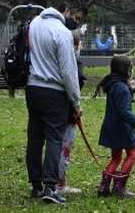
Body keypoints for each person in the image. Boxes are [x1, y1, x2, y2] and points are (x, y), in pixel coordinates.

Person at [25, 0, 84, 205]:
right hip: (54, 91)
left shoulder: (34, 24)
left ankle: (36, 184)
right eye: (76, 18)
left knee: (34, 136)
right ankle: (51, 186)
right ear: (67, 10)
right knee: (54, 138)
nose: (75, 23)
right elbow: (68, 71)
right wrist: (76, 101)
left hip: (32, 87)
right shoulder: (62, 32)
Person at [96, 55, 135, 197]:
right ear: (124, 68)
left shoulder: (114, 83)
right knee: (133, 154)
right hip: (122, 128)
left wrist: (131, 89)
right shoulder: (121, 87)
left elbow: (121, 103)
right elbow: (124, 111)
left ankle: (104, 187)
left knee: (116, 157)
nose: (132, 69)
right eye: (130, 66)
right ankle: (119, 187)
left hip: (111, 126)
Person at [56, 29, 86, 195]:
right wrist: (77, 105)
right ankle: (60, 183)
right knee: (64, 148)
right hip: (68, 112)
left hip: (54, 109)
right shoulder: (73, 65)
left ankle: (53, 181)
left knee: (55, 146)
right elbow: (75, 83)